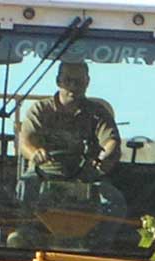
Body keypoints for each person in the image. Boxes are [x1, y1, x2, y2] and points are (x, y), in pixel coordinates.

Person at [13, 60, 127, 249]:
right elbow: (26, 142)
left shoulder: (97, 113)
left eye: (79, 82)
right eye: (68, 80)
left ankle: (99, 247)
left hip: (86, 178)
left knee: (114, 201)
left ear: (87, 82)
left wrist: (106, 156)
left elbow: (111, 141)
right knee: (23, 189)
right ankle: (25, 238)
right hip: (44, 175)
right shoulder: (40, 110)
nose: (73, 86)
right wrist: (35, 153)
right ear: (58, 81)